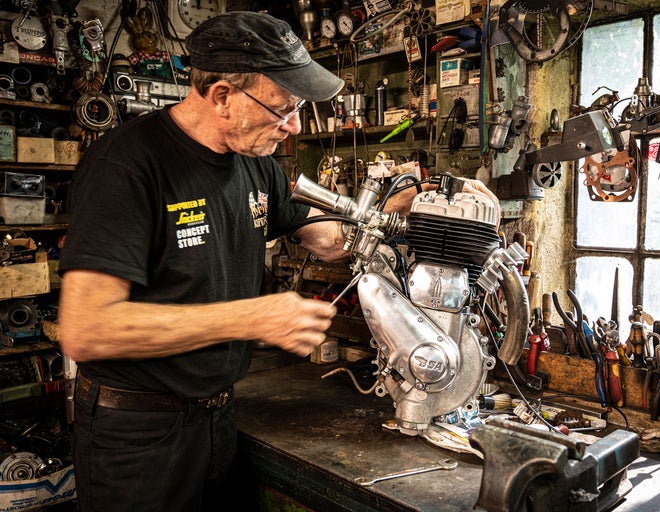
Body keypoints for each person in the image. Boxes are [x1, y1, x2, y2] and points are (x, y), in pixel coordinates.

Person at [57, 11, 498, 512]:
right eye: (282, 109)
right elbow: (86, 329)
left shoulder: (256, 164)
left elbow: (331, 237)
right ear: (222, 95)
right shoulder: (127, 166)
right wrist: (253, 316)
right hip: (136, 435)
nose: (292, 128)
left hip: (218, 418)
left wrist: (405, 204)